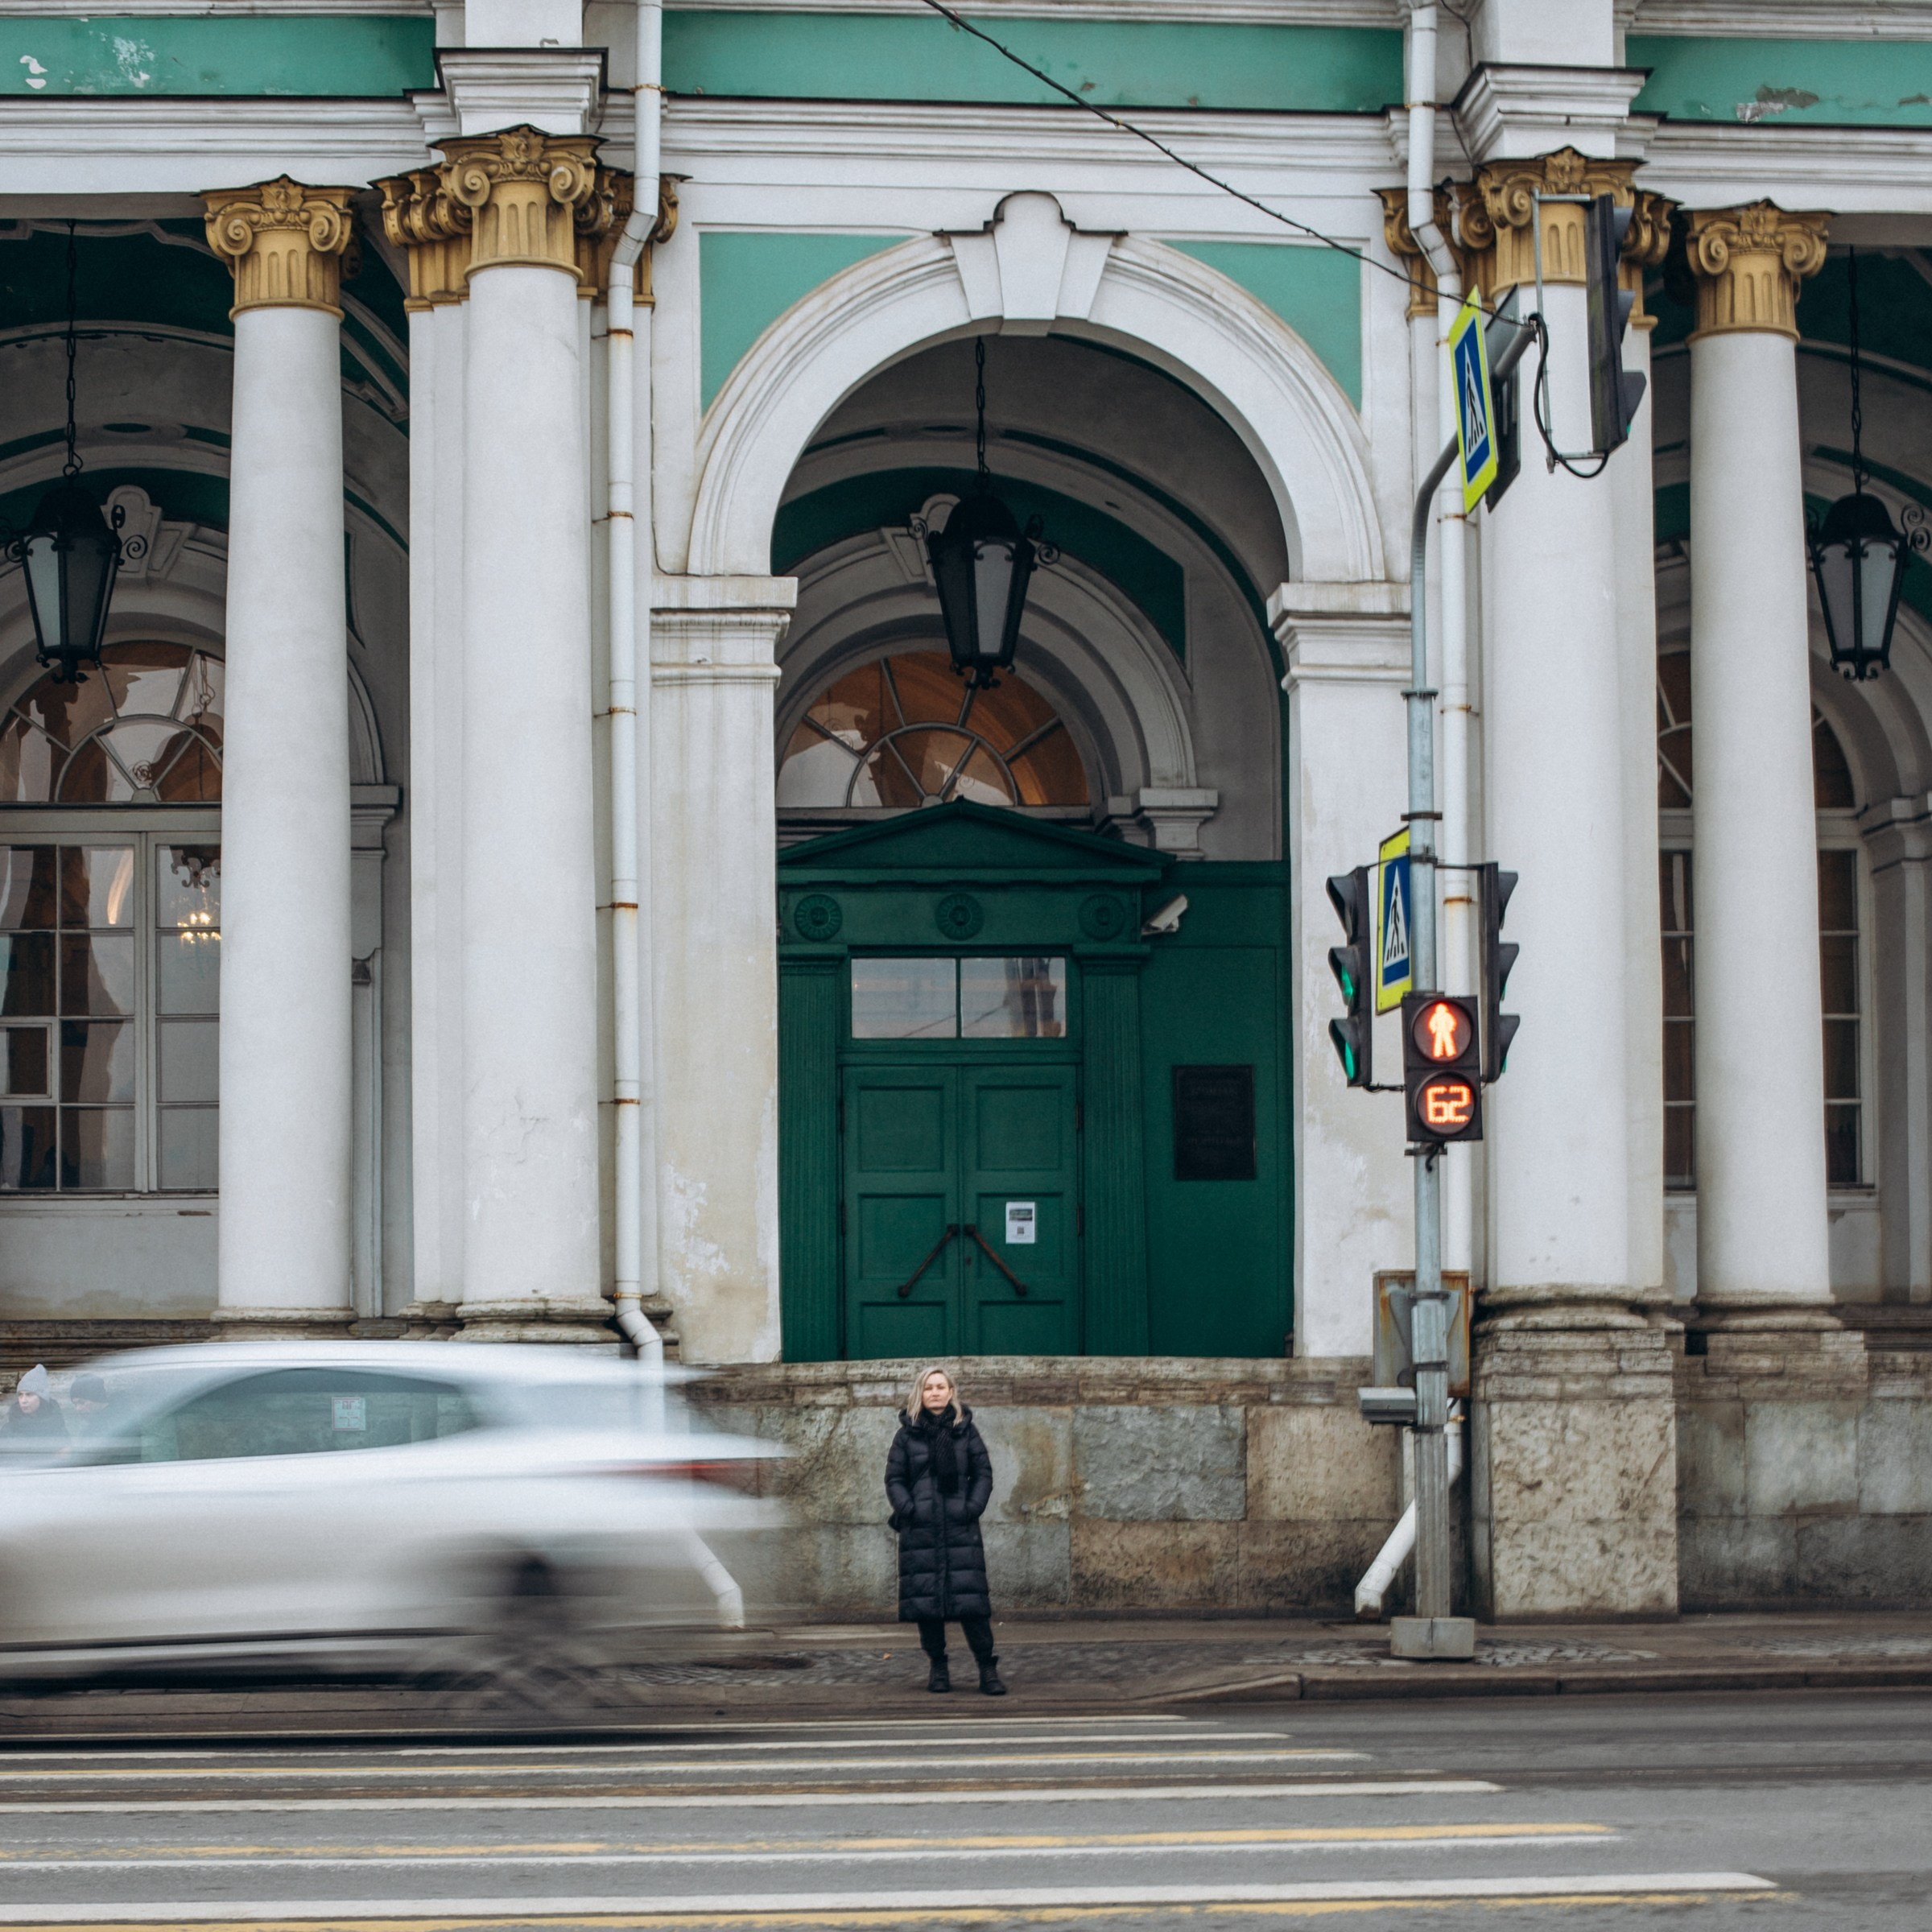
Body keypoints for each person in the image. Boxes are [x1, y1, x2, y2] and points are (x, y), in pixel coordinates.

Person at [886, 1365, 1005, 1695]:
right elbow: (894, 1479)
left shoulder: (966, 1432)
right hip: (921, 1532)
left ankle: (987, 1669)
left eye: (941, 1387)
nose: (935, 1393)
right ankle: (938, 1668)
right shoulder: (906, 1435)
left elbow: (983, 1474)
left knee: (973, 1606)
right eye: (929, 1388)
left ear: (951, 1392)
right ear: (919, 1394)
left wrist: (972, 1508)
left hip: (960, 1530)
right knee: (929, 1608)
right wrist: (909, 1509)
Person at [1, 1364, 68, 1449]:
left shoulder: (57, 1427)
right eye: (20, 1395)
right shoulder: (9, 1430)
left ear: (42, 1398)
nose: (23, 1400)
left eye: (29, 1394)